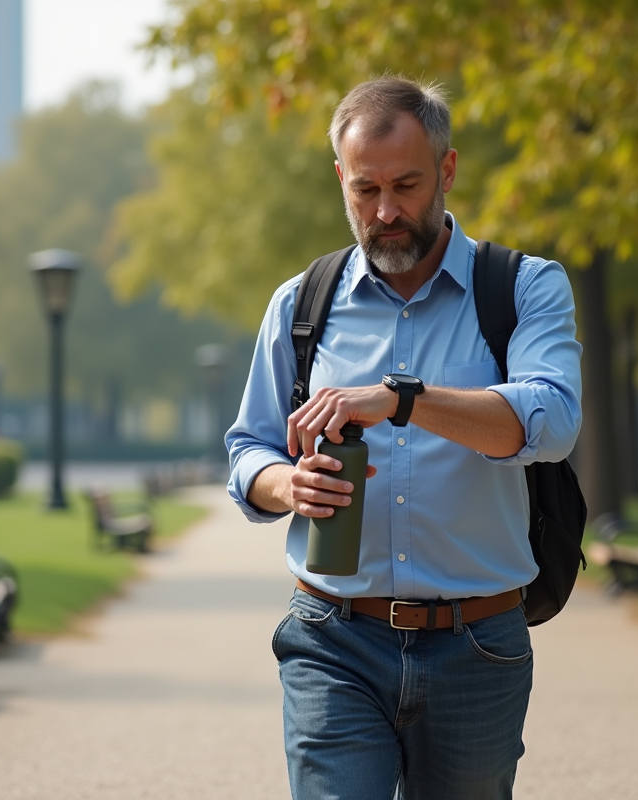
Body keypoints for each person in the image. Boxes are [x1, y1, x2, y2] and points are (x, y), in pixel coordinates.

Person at [225, 76, 582, 800]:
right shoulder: (300, 305)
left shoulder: (524, 288)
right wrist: (284, 483)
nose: (386, 211)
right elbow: (248, 450)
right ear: (340, 181)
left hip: (478, 645)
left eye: (407, 185)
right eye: (365, 190)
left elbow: (552, 419)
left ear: (447, 170)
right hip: (333, 638)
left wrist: (402, 400)